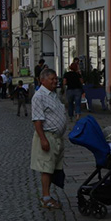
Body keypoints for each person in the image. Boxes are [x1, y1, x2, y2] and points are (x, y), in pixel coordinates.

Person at [32, 68, 69, 209]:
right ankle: (46, 198)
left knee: (53, 168)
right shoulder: (39, 96)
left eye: (55, 78)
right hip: (47, 136)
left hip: (57, 137)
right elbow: (37, 120)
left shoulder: (53, 94)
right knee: (46, 168)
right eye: (52, 79)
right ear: (43, 80)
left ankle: (48, 195)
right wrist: (43, 139)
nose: (55, 81)